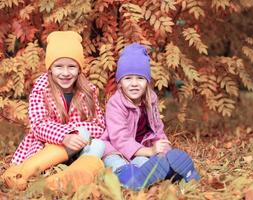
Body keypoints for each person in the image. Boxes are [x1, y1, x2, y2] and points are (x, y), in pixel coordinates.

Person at [1, 31, 106, 192]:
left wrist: (77, 132)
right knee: (82, 132)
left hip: (80, 148)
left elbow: (99, 126)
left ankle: (64, 181)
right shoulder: (42, 89)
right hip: (46, 149)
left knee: (98, 144)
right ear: (50, 68)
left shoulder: (88, 91)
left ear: (79, 69)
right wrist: (65, 135)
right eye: (59, 66)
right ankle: (21, 173)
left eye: (71, 66)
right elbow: (38, 125)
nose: (65, 73)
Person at [101, 43, 200, 191]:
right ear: (120, 83)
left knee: (144, 163)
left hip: (141, 150)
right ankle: (128, 179)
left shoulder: (150, 99)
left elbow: (157, 129)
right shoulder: (115, 104)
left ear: (147, 82)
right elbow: (119, 139)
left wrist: (163, 150)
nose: (134, 84)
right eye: (128, 78)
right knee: (114, 162)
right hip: (116, 149)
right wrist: (149, 151)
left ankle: (172, 172)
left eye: (140, 78)